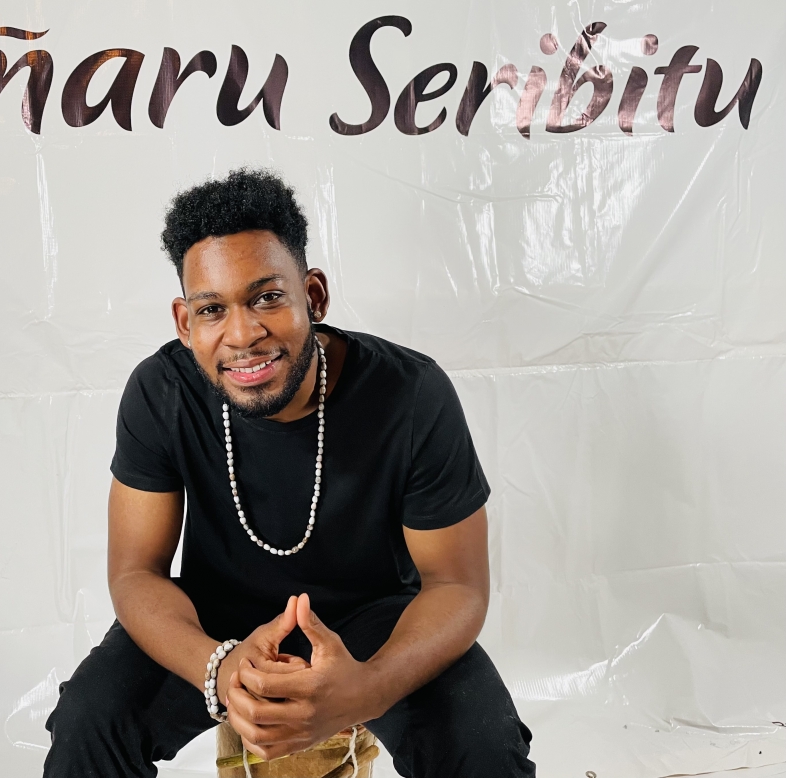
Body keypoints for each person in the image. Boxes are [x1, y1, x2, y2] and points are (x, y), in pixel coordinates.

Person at [43, 169, 535, 778]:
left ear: (314, 295)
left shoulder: (410, 393)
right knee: (89, 722)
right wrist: (218, 668)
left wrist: (367, 689)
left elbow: (456, 585)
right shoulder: (162, 391)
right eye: (212, 309)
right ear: (184, 322)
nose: (243, 334)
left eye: (267, 298)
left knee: (484, 745)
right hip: (214, 620)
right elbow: (135, 572)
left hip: (376, 620)